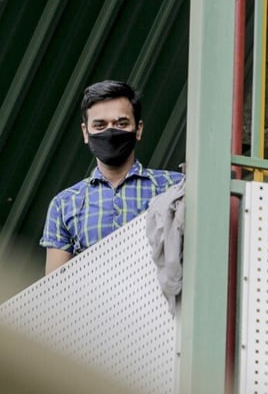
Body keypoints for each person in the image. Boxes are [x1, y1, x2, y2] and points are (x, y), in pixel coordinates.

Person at [40, 81, 183, 275]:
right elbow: (54, 289)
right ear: (85, 132)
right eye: (100, 125)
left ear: (138, 129)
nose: (110, 132)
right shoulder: (64, 204)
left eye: (121, 124)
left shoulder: (174, 187)